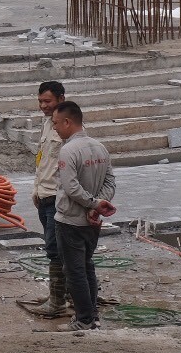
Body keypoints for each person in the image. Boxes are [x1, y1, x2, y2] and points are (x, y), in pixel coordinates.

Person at [52, 102, 117, 331]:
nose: (55, 129)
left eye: (57, 124)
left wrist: (93, 204)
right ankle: (92, 315)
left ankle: (84, 319)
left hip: (70, 221)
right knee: (87, 266)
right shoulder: (100, 147)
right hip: (92, 222)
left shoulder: (68, 151)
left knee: (75, 271)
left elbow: (70, 187)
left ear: (68, 122)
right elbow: (110, 182)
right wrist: (97, 205)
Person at [22, 79, 70, 319]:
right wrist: (36, 190)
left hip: (58, 199)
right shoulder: (47, 125)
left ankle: (58, 302)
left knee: (56, 249)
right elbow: (43, 160)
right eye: (40, 101)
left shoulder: (67, 127)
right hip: (44, 197)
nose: (42, 106)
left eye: (47, 101)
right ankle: (60, 294)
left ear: (61, 99)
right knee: (55, 248)